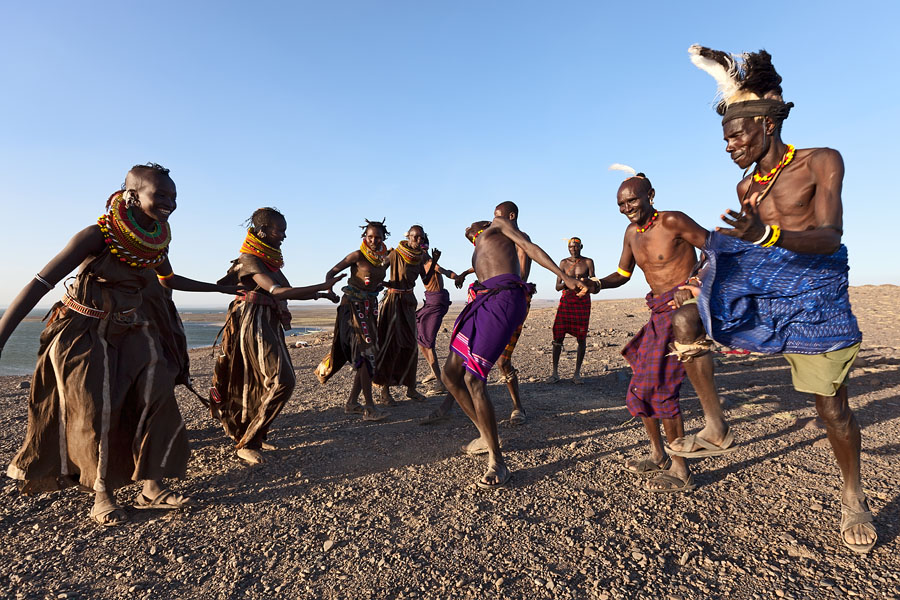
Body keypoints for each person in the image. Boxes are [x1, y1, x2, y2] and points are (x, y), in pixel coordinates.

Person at [687, 45, 876, 552]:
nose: (729, 147)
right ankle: (716, 426)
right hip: (767, 296)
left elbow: (829, 237)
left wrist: (765, 236)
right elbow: (741, 247)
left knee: (831, 409)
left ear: (767, 125)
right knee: (684, 323)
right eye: (724, 139)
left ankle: (853, 494)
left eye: (735, 135)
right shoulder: (747, 185)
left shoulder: (820, 162)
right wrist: (707, 274)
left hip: (815, 298)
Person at [0, 163, 235, 526]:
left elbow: (168, 279)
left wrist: (219, 288)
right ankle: (101, 494)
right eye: (161, 195)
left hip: (134, 329)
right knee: (95, 409)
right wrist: (2, 335)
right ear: (132, 194)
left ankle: (151, 488)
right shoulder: (97, 234)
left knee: (158, 396)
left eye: (174, 196)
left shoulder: (156, 236)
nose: (169, 202)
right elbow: (40, 283)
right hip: (85, 331)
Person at [442, 203, 588, 489]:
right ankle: (485, 434)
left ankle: (498, 461)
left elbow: (529, 248)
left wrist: (567, 278)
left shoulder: (502, 228)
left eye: (495, 213)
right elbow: (483, 262)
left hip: (503, 299)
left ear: (507, 216)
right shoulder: (490, 240)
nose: (476, 226)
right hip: (482, 300)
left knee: (474, 378)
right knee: (450, 373)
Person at [593, 167, 721, 493]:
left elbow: (715, 250)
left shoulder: (672, 221)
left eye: (632, 201)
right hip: (657, 313)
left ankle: (681, 470)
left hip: (683, 313)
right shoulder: (630, 233)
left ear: (650, 196)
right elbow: (623, 273)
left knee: (662, 390)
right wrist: (594, 283)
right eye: (621, 204)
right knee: (640, 388)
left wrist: (694, 283)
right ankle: (659, 455)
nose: (627, 208)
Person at [210, 208, 343, 464]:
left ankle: (255, 436)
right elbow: (276, 290)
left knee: (261, 382)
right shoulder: (249, 258)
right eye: (278, 230)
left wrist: (321, 295)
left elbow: (286, 290)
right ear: (262, 230)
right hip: (253, 321)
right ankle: (246, 441)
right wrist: (321, 287)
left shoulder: (267, 259)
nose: (283, 235)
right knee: (282, 380)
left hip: (267, 320)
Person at [454, 204, 535, 426]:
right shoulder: (495, 238)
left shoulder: (518, 236)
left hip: (508, 298)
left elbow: (521, 270)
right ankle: (456, 403)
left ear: (510, 216)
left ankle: (518, 406)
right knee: (464, 355)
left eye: (496, 218)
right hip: (491, 298)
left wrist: (503, 286)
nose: (492, 222)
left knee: (502, 360)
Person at [315, 220, 390, 422]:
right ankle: (369, 407)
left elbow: (379, 278)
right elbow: (331, 272)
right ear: (365, 237)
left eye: (378, 237)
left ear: (383, 238)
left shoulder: (384, 258)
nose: (373, 240)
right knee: (365, 355)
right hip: (352, 308)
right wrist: (329, 288)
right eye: (370, 236)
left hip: (370, 309)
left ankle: (351, 403)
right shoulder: (357, 256)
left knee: (367, 355)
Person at [372, 225, 434, 404]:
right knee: (390, 344)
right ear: (408, 237)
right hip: (393, 301)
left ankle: (411, 389)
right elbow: (380, 268)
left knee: (410, 345)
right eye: (415, 237)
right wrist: (379, 282)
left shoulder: (421, 256)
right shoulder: (395, 253)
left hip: (408, 302)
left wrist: (434, 262)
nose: (418, 241)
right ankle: (384, 391)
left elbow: (426, 280)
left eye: (421, 238)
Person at [415, 232, 460, 397]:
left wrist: (457, 277)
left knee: (428, 343)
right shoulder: (420, 265)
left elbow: (445, 272)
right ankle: (434, 372)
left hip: (436, 304)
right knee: (421, 340)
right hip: (429, 303)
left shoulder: (430, 263)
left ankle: (440, 383)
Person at [547, 237, 595, 384]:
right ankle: (555, 373)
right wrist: (569, 282)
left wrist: (584, 282)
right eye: (570, 247)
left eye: (576, 246)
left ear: (581, 247)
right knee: (558, 335)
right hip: (567, 301)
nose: (573, 249)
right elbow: (557, 286)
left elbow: (593, 282)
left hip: (582, 302)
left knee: (581, 337)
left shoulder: (588, 262)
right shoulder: (563, 263)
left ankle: (577, 374)